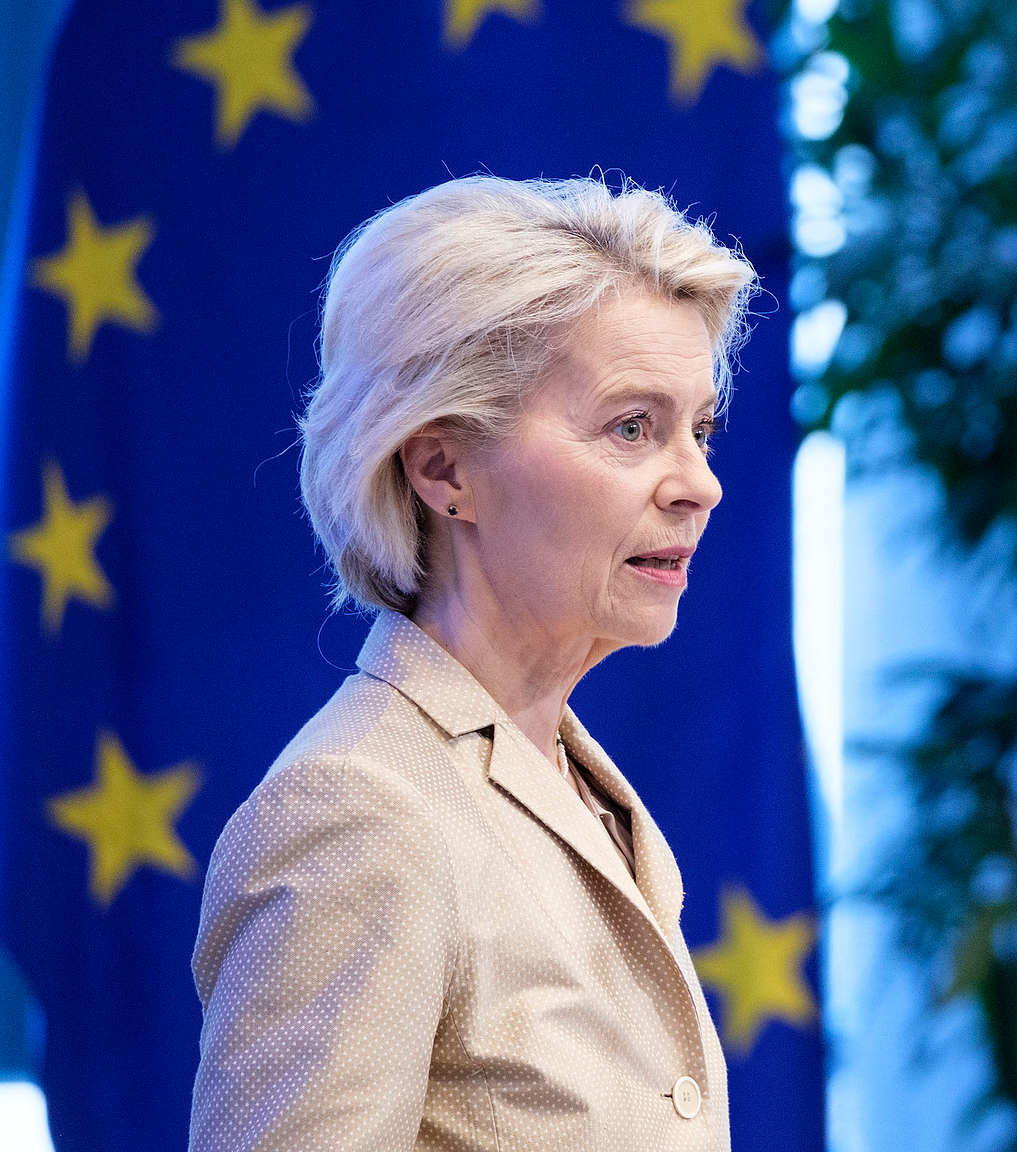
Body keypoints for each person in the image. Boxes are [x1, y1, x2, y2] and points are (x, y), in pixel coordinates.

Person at [189, 175, 754, 1151]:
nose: (698, 484)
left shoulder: (578, 782)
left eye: (698, 429)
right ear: (442, 468)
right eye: (632, 427)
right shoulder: (357, 813)